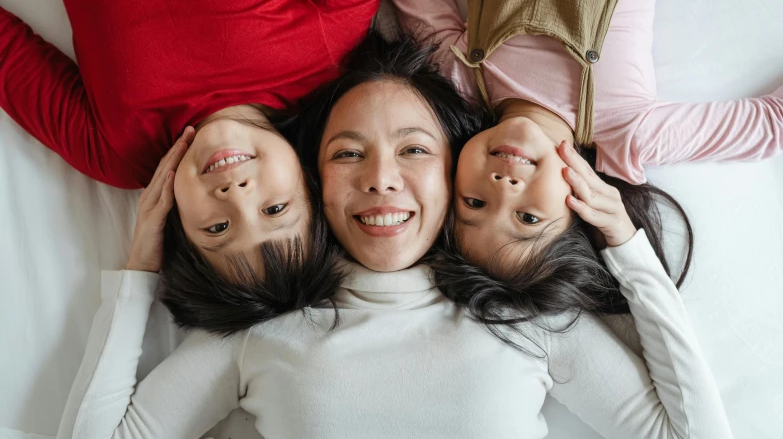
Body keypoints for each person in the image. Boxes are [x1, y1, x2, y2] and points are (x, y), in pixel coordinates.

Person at [56, 32, 731, 439]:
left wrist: (623, 245)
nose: (381, 180)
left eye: (413, 152)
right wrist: (142, 262)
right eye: (347, 154)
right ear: (313, 184)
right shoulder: (265, 324)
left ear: (457, 171)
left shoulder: (522, 317)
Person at [388, 0, 783, 312]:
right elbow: (772, 123)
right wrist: (620, 235)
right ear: (581, 210)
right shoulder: (628, 130)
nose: (502, 187)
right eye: (527, 217)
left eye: (474, 203)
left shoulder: (457, 76)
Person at [0, 0, 418, 284]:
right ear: (309, 181)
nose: (236, 193)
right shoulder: (322, 63)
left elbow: (6, 55)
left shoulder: (118, 153)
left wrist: (142, 262)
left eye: (217, 228)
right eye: (275, 209)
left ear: (177, 223)